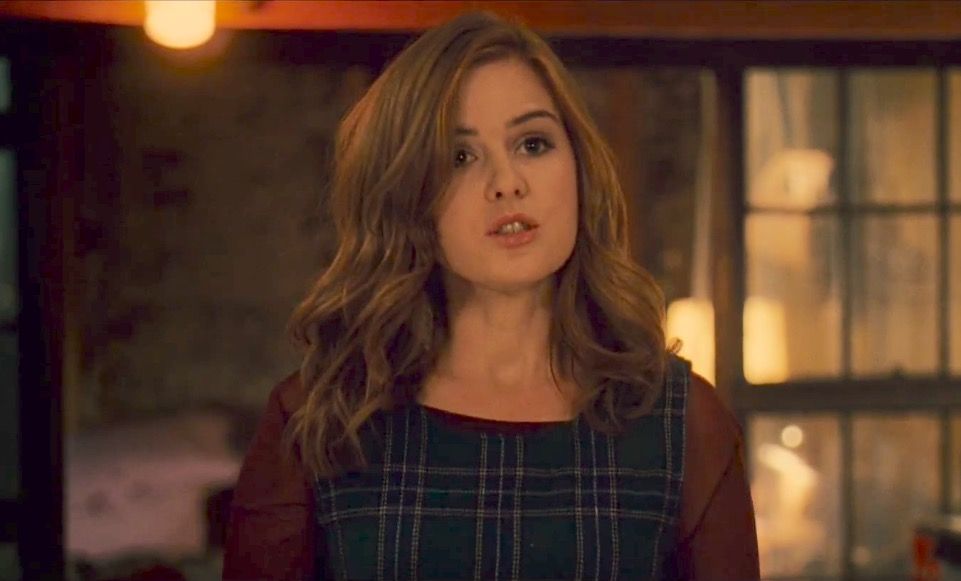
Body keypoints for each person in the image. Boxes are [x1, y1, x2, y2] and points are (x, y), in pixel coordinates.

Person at [223, 10, 759, 581]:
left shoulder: (684, 425)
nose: (507, 182)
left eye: (533, 143)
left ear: (579, 168)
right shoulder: (318, 420)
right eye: (460, 157)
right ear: (408, 196)